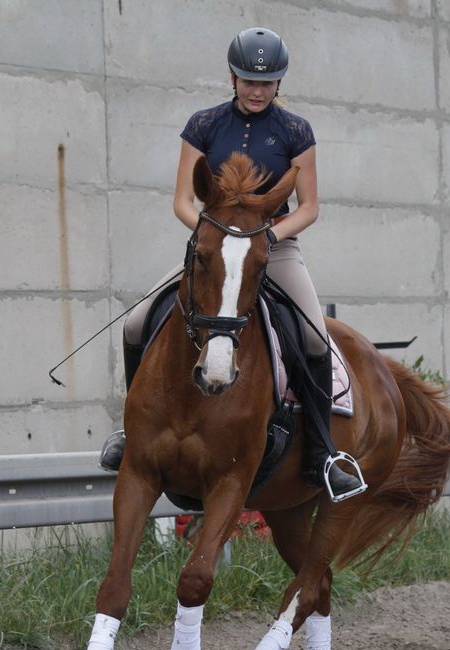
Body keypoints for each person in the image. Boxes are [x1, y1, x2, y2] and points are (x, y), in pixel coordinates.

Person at [100, 26, 365, 500]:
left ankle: (324, 454)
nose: (257, 91)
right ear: (232, 77)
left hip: (274, 248)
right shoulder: (203, 124)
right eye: (248, 81)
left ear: (279, 83)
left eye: (266, 83)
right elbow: (183, 200)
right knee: (137, 323)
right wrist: (216, 236)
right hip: (214, 250)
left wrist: (263, 235)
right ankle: (130, 433)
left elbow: (308, 207)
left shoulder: (296, 131)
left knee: (313, 336)